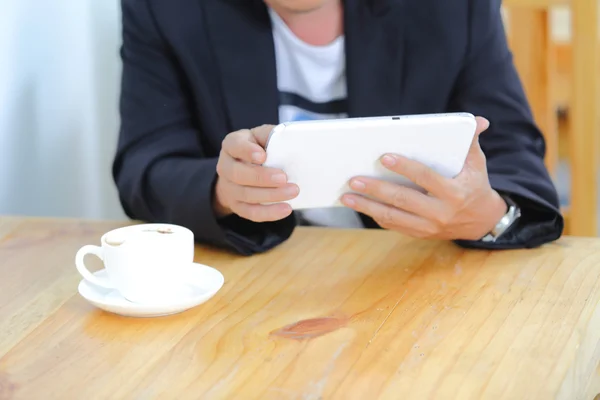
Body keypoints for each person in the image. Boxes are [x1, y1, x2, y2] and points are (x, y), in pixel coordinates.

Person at [113, 0, 564, 256]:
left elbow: (516, 158)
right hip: (251, 281)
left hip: (411, 275)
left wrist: (485, 215)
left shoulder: (451, 7)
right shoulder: (165, 9)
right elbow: (144, 165)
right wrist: (221, 191)